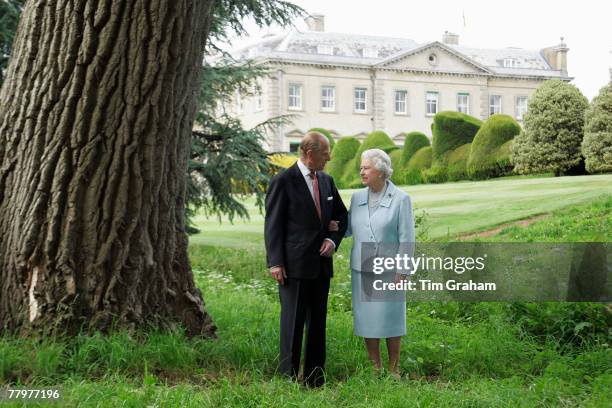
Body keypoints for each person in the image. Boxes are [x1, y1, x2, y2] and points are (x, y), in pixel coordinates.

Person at [264, 131, 348, 387]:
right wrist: (275, 262)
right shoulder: (283, 181)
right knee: (292, 324)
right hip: (293, 267)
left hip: (321, 267)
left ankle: (314, 380)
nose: (329, 157)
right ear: (309, 153)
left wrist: (332, 239)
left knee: (317, 325)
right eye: (325, 153)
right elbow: (273, 225)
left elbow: (341, 217)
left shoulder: (327, 180)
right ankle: (288, 379)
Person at [331, 148, 414, 379]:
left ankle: (394, 368)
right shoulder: (357, 197)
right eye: (361, 167)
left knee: (391, 318)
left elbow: (407, 237)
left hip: (390, 270)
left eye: (366, 167)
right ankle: (374, 367)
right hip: (362, 267)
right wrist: (332, 227)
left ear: (380, 171)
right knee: (368, 319)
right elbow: (349, 228)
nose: (362, 171)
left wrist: (403, 270)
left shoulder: (401, 198)